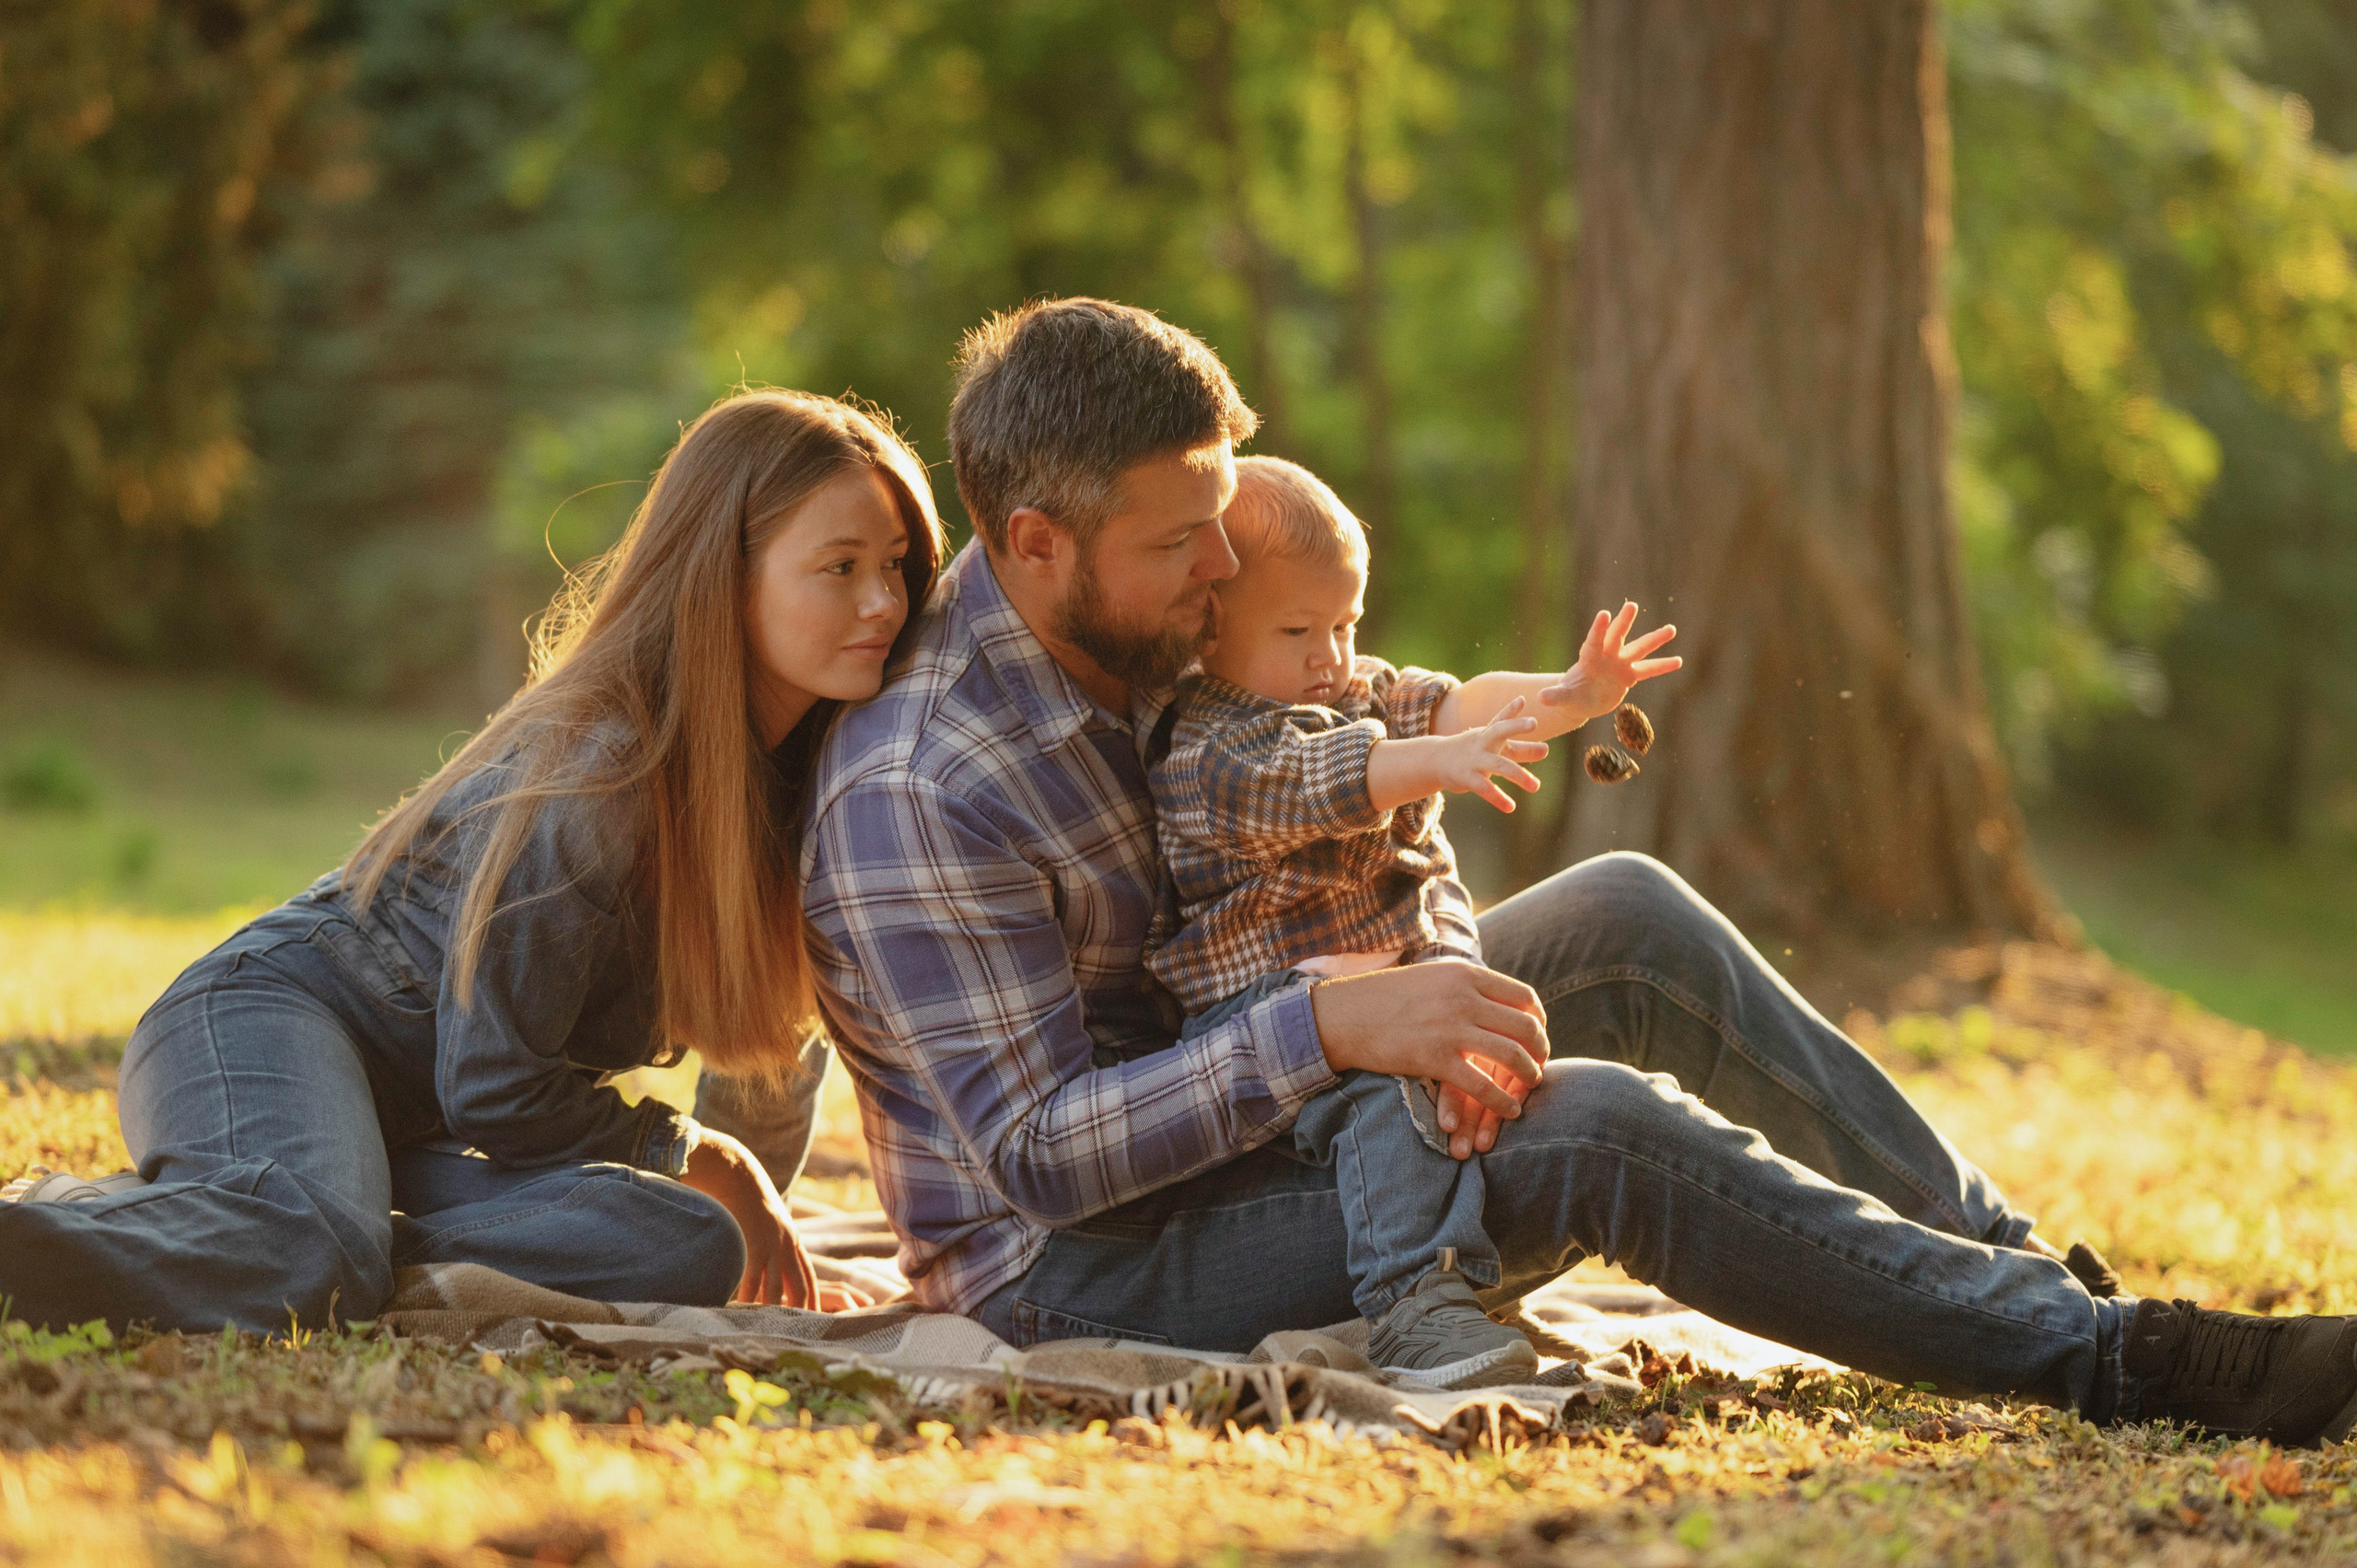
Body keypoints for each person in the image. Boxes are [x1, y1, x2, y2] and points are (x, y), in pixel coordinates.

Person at [801, 296, 2357, 1446]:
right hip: (1100, 1260)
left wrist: (1497, 767)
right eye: (1179, 541)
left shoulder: (1137, 631)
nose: (1220, 570)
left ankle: (2016, 1268)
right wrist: (1338, 1032)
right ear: (1034, 540)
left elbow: (1360, 737)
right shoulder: (925, 788)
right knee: (1593, 1121)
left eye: (1219, 524)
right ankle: (2120, 1361)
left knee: (1624, 907)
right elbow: (1044, 1155)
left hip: (1260, 1087)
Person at [0, 389, 946, 1333]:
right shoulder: (605, 776)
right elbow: (498, 1084)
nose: (883, 602)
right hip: (266, 1022)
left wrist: (747, 1221)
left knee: (690, 1240)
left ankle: (303, 1226)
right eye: (840, 566)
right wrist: (697, 1154)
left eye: (896, 565)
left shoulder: (825, 794)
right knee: (306, 1251)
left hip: (423, 1134)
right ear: (724, 578)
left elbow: (761, 1068)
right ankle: (296, 1229)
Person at [1144, 455, 1680, 1388]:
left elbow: (1454, 702)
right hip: (1267, 1013)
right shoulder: (1209, 747)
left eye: (1345, 623)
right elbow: (1333, 778)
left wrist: (1565, 697)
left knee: (1484, 1065)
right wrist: (1441, 758)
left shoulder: (1345, 687)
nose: (1332, 655)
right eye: (1299, 628)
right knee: (1383, 1092)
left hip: (1386, 977)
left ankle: (1475, 1273)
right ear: (1210, 620)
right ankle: (1412, 1300)